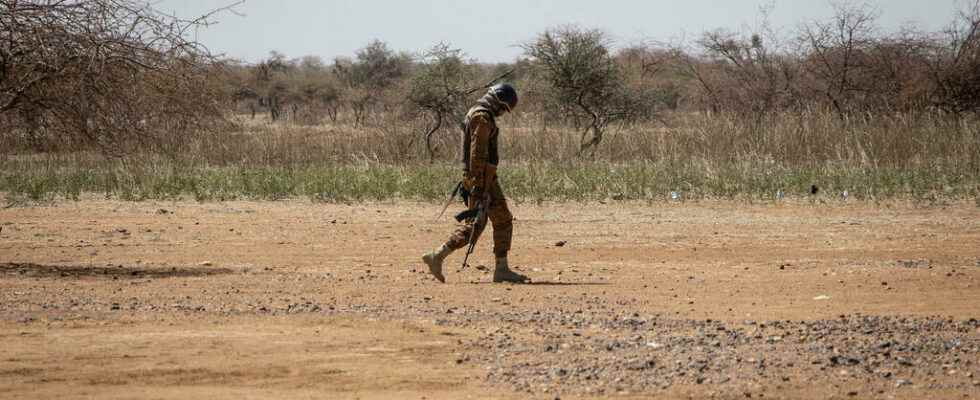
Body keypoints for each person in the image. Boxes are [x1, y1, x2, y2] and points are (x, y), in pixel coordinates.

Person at [422, 83, 530, 284]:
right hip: (481, 178)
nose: (501, 114)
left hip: (479, 177)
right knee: (488, 222)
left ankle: (440, 256)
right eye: (503, 109)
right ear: (498, 101)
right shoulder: (482, 117)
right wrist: (480, 186)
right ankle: (440, 256)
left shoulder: (478, 112)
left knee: (487, 222)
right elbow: (477, 153)